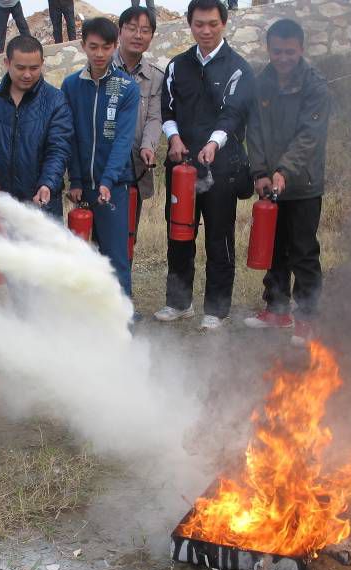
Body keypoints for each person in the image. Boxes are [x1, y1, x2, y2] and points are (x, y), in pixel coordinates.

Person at [155, 0, 256, 330]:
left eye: (213, 23)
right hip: (181, 168)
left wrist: (214, 143)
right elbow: (166, 111)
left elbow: (233, 114)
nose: (206, 30)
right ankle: (179, 302)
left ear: (224, 23)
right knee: (179, 234)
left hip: (222, 168)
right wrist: (173, 139)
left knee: (220, 238)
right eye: (199, 24)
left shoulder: (238, 68)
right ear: (189, 23)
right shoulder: (177, 66)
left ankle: (216, 309)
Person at [244, 18, 330, 345]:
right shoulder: (261, 81)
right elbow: (255, 131)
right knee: (274, 248)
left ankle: (307, 319)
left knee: (303, 251)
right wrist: (261, 172)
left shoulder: (316, 86)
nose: (283, 58)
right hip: (271, 182)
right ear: (269, 49)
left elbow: (310, 137)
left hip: (304, 184)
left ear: (301, 50)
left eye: (290, 52)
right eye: (277, 52)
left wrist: (284, 170)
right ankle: (276, 309)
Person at [62, 17, 139, 296]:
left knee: (115, 258)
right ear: (83, 45)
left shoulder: (126, 87)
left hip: (113, 188)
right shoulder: (71, 86)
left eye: (106, 48)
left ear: (115, 47)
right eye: (93, 47)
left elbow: (123, 141)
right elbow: (68, 137)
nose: (99, 54)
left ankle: (123, 325)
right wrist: (76, 180)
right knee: (81, 258)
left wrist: (107, 180)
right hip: (82, 188)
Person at [0, 35, 72, 218]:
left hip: (43, 204)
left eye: (34, 68)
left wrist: (47, 184)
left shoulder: (55, 100)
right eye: (20, 68)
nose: (27, 74)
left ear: (42, 63)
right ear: (6, 63)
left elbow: (58, 150)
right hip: (4, 203)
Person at [115, 5, 163, 263]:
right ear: (120, 31)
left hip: (135, 167)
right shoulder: (103, 69)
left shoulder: (154, 77)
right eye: (132, 28)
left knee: (129, 234)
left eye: (145, 30)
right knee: (100, 235)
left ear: (151, 36)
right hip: (103, 168)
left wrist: (148, 146)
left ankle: (121, 297)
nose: (138, 35)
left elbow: (155, 117)